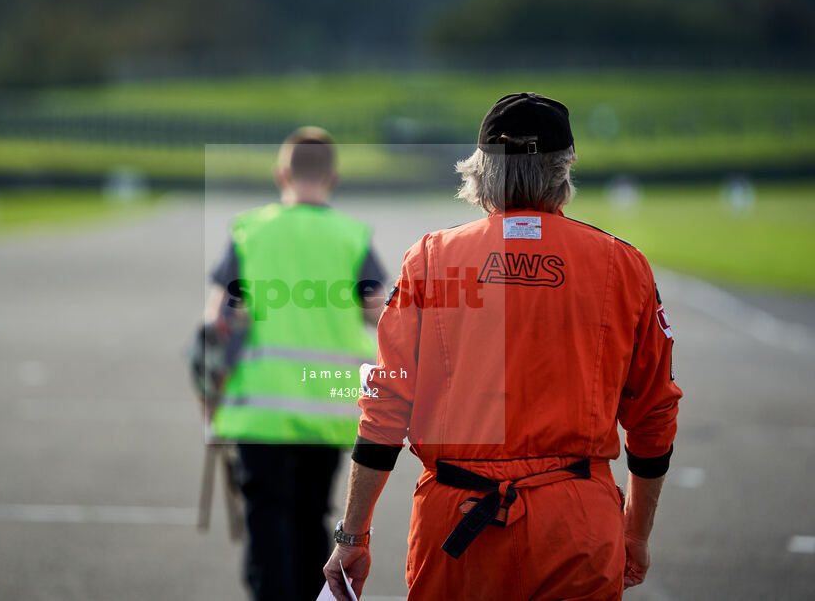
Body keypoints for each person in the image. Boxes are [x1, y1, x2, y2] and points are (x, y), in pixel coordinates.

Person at [323, 93, 682, 600]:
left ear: (480, 171)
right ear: (564, 170)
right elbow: (653, 415)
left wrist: (353, 536)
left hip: (458, 526)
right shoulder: (623, 264)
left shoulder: (430, 258)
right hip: (576, 525)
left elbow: (386, 404)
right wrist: (635, 533)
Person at [203, 126, 387, 601]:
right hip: (328, 414)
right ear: (334, 177)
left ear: (280, 173)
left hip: (260, 411)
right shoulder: (351, 237)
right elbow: (382, 316)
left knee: (268, 533)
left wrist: (211, 394)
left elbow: (220, 323)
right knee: (311, 525)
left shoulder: (251, 231)